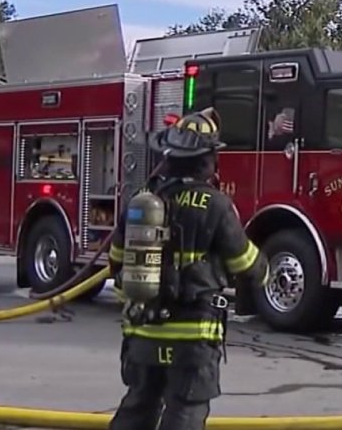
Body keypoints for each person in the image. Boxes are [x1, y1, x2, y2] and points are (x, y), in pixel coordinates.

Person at [107, 108, 270, 430]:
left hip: (143, 330)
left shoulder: (144, 201)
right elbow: (245, 263)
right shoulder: (216, 204)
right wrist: (265, 271)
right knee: (185, 410)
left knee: (138, 405)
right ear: (207, 160)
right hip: (193, 335)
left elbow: (115, 260)